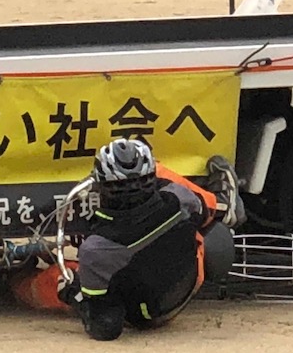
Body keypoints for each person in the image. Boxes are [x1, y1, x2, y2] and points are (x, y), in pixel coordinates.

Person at [56, 138, 246, 341]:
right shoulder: (179, 198)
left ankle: (30, 283)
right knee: (203, 220)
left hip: (143, 317)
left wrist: (73, 294)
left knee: (62, 277)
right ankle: (221, 205)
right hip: (187, 285)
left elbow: (106, 327)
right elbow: (201, 216)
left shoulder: (95, 250)